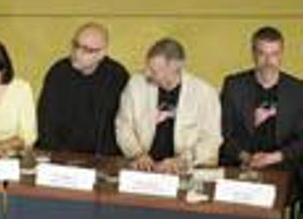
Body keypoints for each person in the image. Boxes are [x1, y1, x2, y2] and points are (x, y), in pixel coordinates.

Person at [115, 38, 222, 172]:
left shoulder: (205, 93)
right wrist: (137, 154)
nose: (147, 73)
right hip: (143, 168)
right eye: (147, 67)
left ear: (175, 66)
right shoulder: (135, 84)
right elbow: (123, 125)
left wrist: (183, 160)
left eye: (154, 71)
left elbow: (211, 140)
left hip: (185, 170)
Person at [37, 23, 129, 155]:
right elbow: (46, 122)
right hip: (60, 154)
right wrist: (58, 155)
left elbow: (122, 123)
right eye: (75, 45)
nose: (77, 53)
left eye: (86, 49)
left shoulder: (116, 76)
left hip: (103, 157)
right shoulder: (58, 72)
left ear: (101, 54)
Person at [220, 26, 303, 170]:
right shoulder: (233, 86)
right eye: (262, 54)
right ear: (253, 54)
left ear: (281, 54)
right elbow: (223, 133)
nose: (268, 61)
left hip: (284, 167)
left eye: (274, 54)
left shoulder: (298, 90)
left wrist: (273, 158)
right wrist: (246, 157)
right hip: (241, 164)